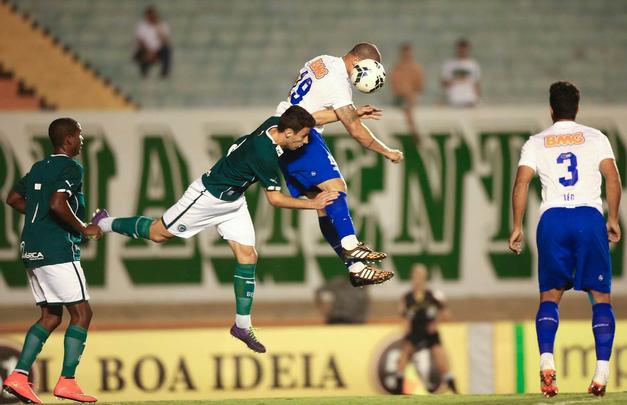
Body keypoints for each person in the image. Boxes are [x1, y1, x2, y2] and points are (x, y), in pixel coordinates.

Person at [91, 106, 337, 353]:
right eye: (303, 136)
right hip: (208, 197)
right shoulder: (264, 153)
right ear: (288, 132)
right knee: (158, 233)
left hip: (234, 200)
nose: (306, 141)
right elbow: (275, 200)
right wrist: (313, 203)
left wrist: (348, 115)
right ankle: (105, 222)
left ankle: (242, 325)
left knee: (248, 256)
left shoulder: (276, 123)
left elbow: (314, 119)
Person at [509, 81, 621, 397]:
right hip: (588, 216)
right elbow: (613, 177)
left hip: (553, 220)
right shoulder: (596, 137)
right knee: (600, 298)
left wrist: (516, 226)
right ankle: (601, 372)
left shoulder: (536, 142)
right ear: (577, 108)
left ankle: (547, 364)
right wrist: (612, 218)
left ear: (551, 109)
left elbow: (521, 183)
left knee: (549, 297)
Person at [274, 42, 404, 288]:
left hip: (286, 131)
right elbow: (356, 131)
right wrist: (388, 151)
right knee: (336, 188)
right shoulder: (340, 83)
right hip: (302, 136)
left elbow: (307, 106)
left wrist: (350, 111)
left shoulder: (323, 60)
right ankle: (351, 245)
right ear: (357, 62)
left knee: (324, 206)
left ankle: (356, 269)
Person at [3, 118, 103, 404]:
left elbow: (13, 198)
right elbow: (58, 203)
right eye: (80, 135)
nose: (82, 140)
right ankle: (67, 381)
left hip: (31, 248)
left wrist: (42, 220)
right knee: (82, 314)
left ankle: (19, 376)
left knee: (51, 316)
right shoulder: (71, 167)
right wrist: (83, 228)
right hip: (57, 250)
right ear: (69, 139)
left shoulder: (39, 167)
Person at [394, 264, 457, 395]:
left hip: (429, 332)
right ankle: (398, 390)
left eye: (421, 275)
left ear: (425, 278)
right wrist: (405, 327)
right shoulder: (406, 297)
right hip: (414, 331)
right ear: (412, 277)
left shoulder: (433, 295)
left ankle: (454, 390)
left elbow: (446, 313)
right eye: (416, 275)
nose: (418, 278)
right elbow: (403, 317)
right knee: (403, 357)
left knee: (441, 358)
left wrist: (436, 322)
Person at [391, 43, 424, 143]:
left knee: (409, 101)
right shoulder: (397, 68)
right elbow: (395, 87)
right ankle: (414, 131)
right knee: (407, 105)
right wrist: (405, 91)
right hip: (401, 98)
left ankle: (414, 130)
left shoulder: (416, 69)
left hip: (411, 97)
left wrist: (410, 91)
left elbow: (420, 86)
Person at [133, 6, 172, 78]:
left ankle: (164, 74)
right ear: (147, 16)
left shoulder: (162, 25)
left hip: (158, 50)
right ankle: (144, 74)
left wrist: (158, 29)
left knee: (167, 50)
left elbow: (166, 41)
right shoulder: (141, 26)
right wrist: (149, 51)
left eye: (154, 15)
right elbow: (140, 41)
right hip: (146, 49)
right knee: (141, 52)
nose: (153, 17)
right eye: (151, 15)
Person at [440, 39, 480, 107]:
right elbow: (443, 83)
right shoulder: (449, 65)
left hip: (470, 99)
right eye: (460, 48)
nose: (462, 50)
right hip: (454, 99)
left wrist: (478, 98)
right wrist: (456, 79)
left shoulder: (473, 65)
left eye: (464, 48)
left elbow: (477, 84)